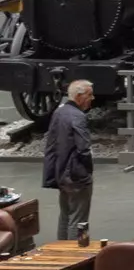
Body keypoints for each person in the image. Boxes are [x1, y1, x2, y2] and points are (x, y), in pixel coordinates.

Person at [44, 78, 94, 241]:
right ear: (79, 96)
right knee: (79, 219)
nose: (92, 98)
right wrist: (88, 171)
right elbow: (83, 149)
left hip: (61, 172)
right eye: (89, 95)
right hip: (77, 175)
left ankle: (61, 250)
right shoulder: (79, 116)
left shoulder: (59, 112)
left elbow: (51, 144)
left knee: (65, 216)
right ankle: (77, 254)